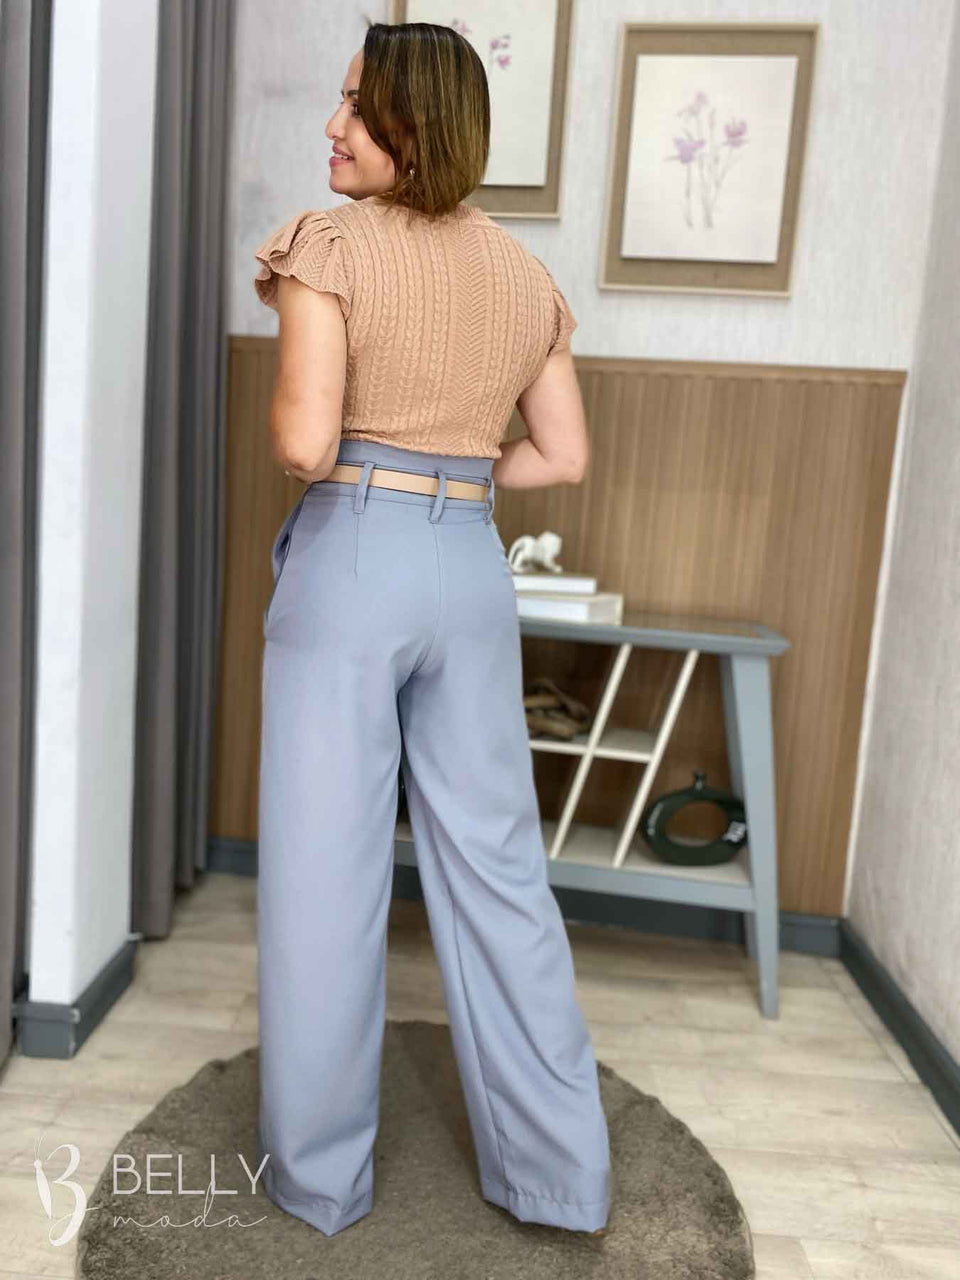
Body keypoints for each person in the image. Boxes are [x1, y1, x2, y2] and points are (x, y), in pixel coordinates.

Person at [252, 20, 611, 1240]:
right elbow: (562, 454)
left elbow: (304, 443)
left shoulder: (328, 248)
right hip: (471, 560)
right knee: (500, 869)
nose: (332, 125)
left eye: (357, 106)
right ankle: (559, 1173)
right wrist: (459, 476)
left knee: (325, 871)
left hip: (354, 556)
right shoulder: (522, 273)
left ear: (415, 124)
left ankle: (321, 1180)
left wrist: (361, 448)